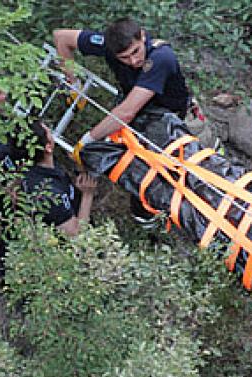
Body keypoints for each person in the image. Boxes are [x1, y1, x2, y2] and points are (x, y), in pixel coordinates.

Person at [53, 18, 190, 226]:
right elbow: (61, 38)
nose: (134, 61)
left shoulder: (161, 57)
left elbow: (126, 112)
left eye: (136, 51)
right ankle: (148, 217)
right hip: (144, 114)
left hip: (176, 120)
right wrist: (74, 83)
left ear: (142, 36)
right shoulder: (107, 44)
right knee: (142, 171)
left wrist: (88, 139)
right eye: (124, 58)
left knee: (178, 173)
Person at [21, 120, 97, 237]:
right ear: (48, 147)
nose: (52, 133)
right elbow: (76, 234)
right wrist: (88, 195)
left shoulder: (46, 165)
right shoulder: (45, 192)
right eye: (48, 132)